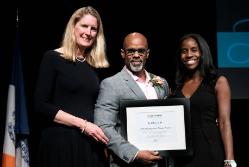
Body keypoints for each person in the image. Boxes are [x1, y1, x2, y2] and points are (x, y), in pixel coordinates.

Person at [34, 6, 110, 167]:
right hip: (60, 143)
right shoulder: (52, 58)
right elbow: (40, 105)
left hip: (90, 145)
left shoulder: (94, 66)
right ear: (73, 27)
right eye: (84, 26)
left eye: (93, 29)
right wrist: (83, 125)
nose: (88, 33)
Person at [94, 32, 174, 167]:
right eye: (131, 51)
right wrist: (135, 154)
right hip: (129, 163)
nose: (136, 55)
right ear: (122, 53)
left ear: (147, 53)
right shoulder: (111, 84)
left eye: (141, 51)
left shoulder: (161, 82)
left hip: (162, 162)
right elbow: (103, 126)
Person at [171, 33, 236, 167]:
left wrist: (229, 159)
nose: (189, 55)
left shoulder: (218, 82)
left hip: (210, 149)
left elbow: (224, 122)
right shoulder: (177, 86)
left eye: (194, 50)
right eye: (184, 51)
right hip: (182, 155)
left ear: (202, 52)